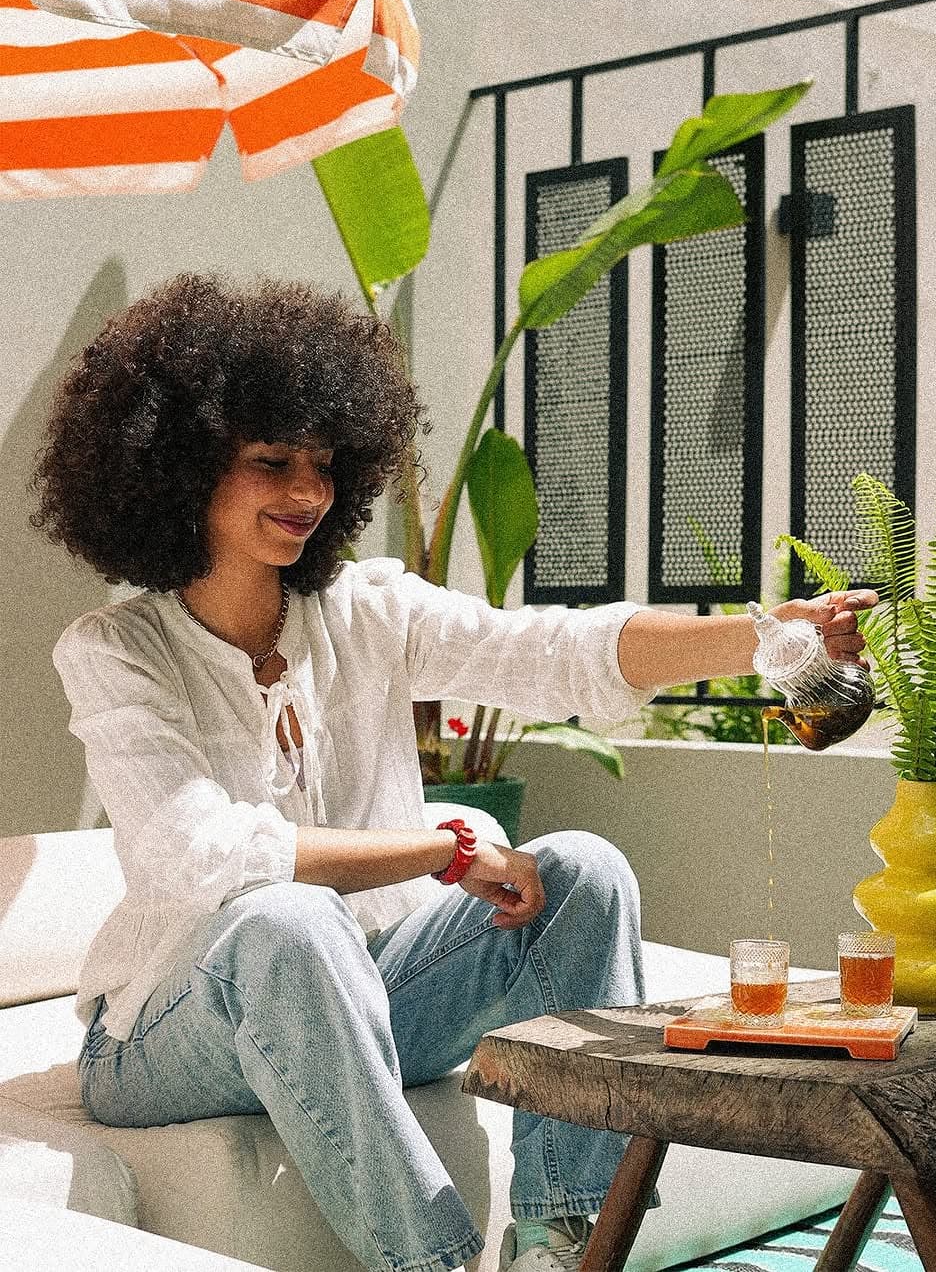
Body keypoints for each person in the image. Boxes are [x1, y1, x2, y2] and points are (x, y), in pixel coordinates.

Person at [30, 273, 876, 1272]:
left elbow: (552, 653)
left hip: (367, 990)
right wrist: (443, 849)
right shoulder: (116, 650)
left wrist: (764, 637)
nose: (308, 494)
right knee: (286, 919)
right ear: (177, 467)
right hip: (163, 1036)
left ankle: (561, 1246)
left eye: (324, 463)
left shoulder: (367, 611)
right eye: (271, 462)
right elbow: (205, 855)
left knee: (585, 872)